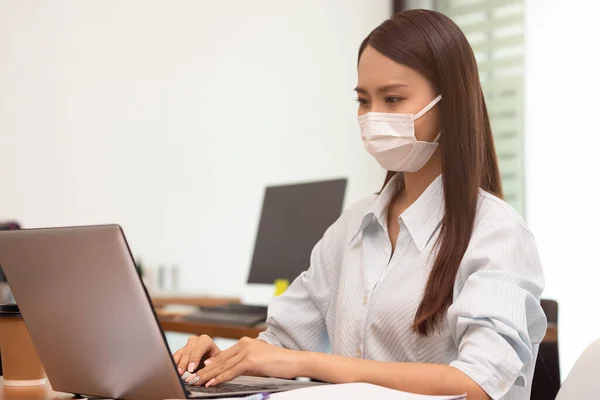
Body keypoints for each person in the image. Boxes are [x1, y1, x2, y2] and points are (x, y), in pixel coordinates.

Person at [172, 9, 546, 400]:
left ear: (448, 103)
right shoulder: (354, 225)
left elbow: (477, 385)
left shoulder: (495, 231)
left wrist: (309, 364)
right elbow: (283, 342)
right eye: (364, 100)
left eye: (393, 98)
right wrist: (226, 358)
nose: (372, 117)